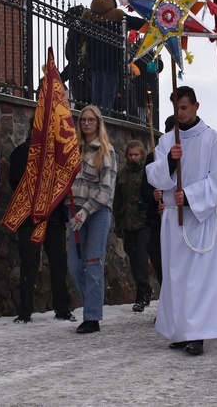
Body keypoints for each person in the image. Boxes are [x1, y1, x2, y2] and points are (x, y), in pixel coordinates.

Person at [145, 86, 217, 356]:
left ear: (196, 106)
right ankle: (180, 331)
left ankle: (197, 335)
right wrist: (170, 161)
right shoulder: (167, 141)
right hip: (173, 220)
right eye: (176, 109)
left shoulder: (212, 139)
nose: (180, 113)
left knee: (198, 280)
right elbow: (153, 175)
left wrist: (191, 196)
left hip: (200, 219)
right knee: (175, 277)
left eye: (184, 107)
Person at [10, 122, 75, 324]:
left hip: (53, 217)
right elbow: (15, 182)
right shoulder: (21, 153)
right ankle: (25, 311)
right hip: (30, 218)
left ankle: (62, 308)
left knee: (58, 263)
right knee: (29, 263)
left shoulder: (57, 154)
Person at [67, 105, 117, 334]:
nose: (86, 124)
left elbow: (106, 189)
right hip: (74, 209)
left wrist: (86, 210)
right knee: (75, 264)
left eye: (91, 120)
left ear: (98, 123)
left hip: (96, 212)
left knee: (93, 262)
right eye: (83, 120)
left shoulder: (105, 151)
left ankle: (92, 317)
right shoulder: (72, 150)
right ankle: (91, 305)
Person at [87, 0, 146, 113]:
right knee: (108, 98)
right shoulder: (116, 14)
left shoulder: (89, 14)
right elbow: (136, 23)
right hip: (111, 60)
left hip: (94, 60)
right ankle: (104, 122)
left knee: (96, 97)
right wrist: (151, 22)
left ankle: (94, 119)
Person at [114, 140, 152, 313]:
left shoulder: (148, 172)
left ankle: (142, 292)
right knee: (132, 255)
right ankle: (143, 287)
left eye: (136, 155)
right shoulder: (122, 174)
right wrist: (118, 222)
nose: (133, 158)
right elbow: (117, 200)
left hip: (144, 222)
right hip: (128, 222)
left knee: (141, 256)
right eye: (130, 155)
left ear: (142, 155)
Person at [140, 116, 175, 288]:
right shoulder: (152, 157)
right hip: (158, 220)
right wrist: (154, 196)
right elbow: (144, 189)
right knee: (160, 259)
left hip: (178, 218)